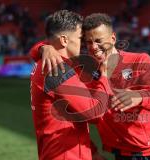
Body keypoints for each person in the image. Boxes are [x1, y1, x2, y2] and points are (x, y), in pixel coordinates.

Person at [31, 13, 150, 160]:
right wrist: (44, 48)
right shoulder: (85, 71)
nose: (94, 47)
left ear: (113, 38)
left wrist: (139, 96)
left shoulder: (139, 60)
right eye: (88, 42)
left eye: (99, 41)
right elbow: (80, 118)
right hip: (120, 153)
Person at [30, 10, 112, 160]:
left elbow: (72, 120)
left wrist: (92, 152)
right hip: (64, 154)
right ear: (64, 40)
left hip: (63, 151)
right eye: (80, 38)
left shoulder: (49, 61)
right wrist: (104, 75)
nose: (83, 44)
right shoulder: (57, 69)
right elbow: (95, 112)